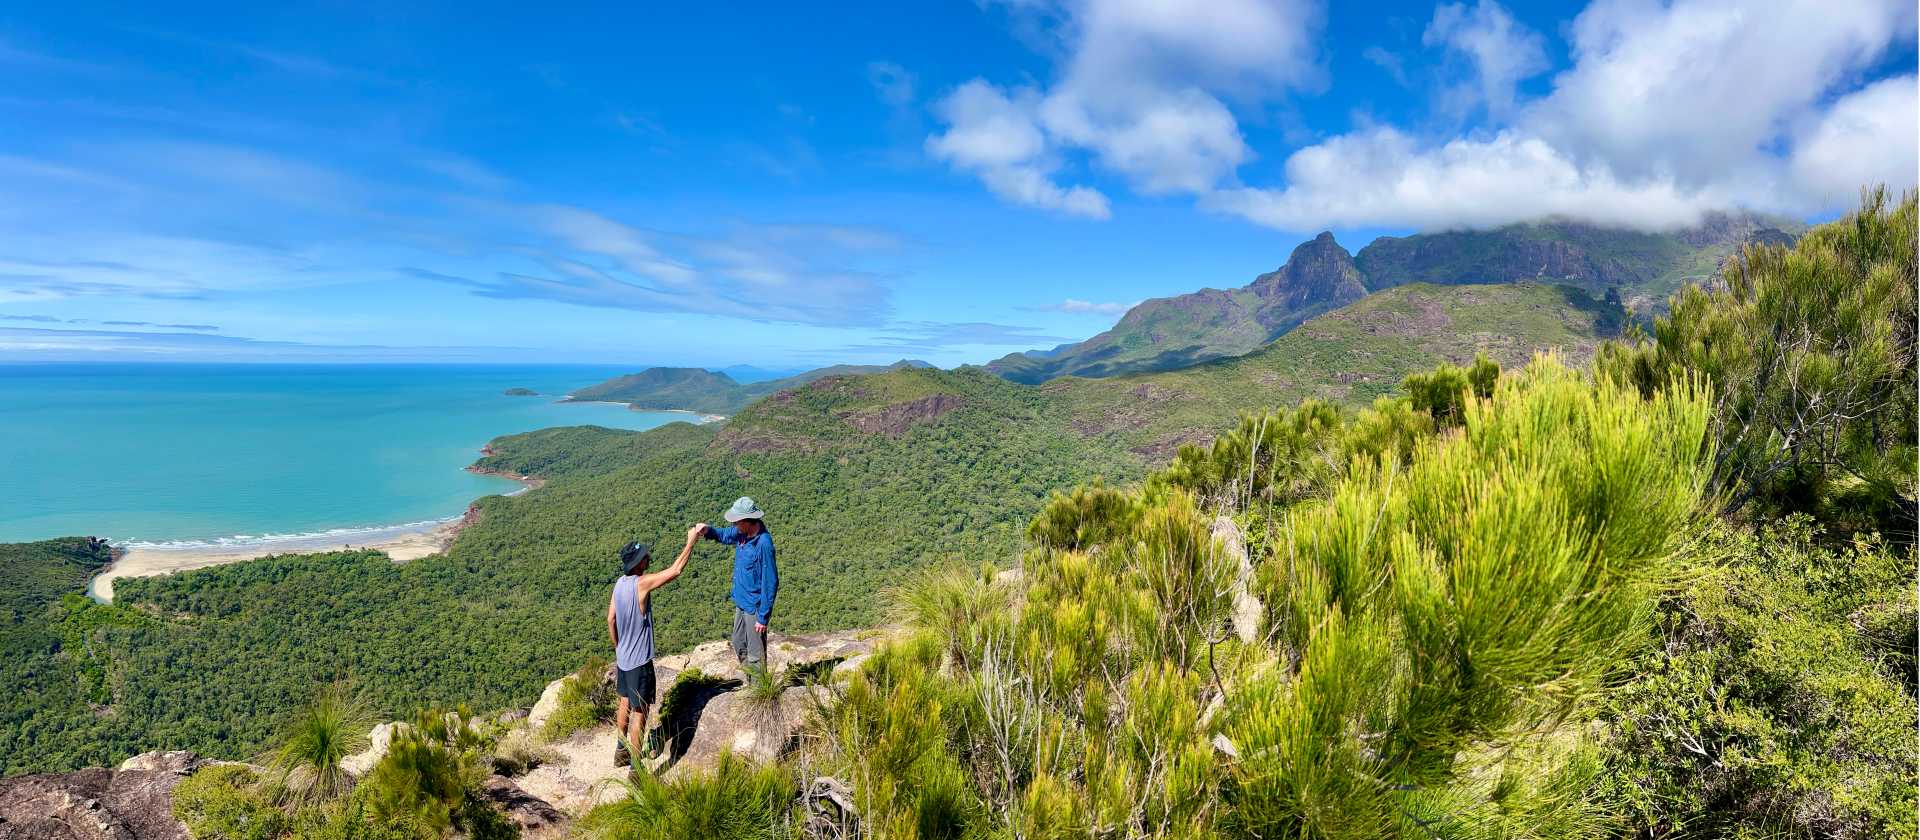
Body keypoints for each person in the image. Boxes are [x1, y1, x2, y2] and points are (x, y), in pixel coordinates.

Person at [607, 525, 699, 767]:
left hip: (624, 659)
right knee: (640, 714)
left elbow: (610, 619)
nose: (648, 558)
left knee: (624, 702)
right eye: (644, 557)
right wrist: (691, 541)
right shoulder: (642, 584)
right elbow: (676, 570)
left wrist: (619, 647)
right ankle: (636, 770)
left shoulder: (619, 584)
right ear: (638, 564)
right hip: (639, 662)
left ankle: (620, 750)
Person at [695, 496, 778, 669]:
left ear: (748, 521)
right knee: (739, 642)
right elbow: (724, 535)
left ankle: (760, 691)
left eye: (737, 521)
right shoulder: (741, 532)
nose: (734, 525)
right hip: (741, 601)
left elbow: (770, 582)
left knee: (755, 653)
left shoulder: (763, 543)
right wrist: (708, 531)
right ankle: (751, 678)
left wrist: (763, 617)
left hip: (754, 607)